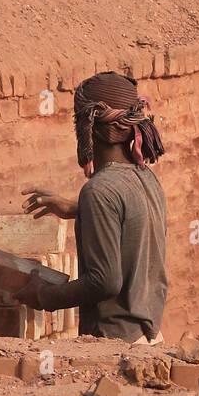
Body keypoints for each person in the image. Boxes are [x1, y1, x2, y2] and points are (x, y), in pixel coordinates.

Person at [19, 70, 168, 344]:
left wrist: (43, 295)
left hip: (115, 344)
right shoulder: (146, 178)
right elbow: (131, 215)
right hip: (150, 337)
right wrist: (77, 208)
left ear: (87, 126)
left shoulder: (99, 190)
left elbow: (105, 281)